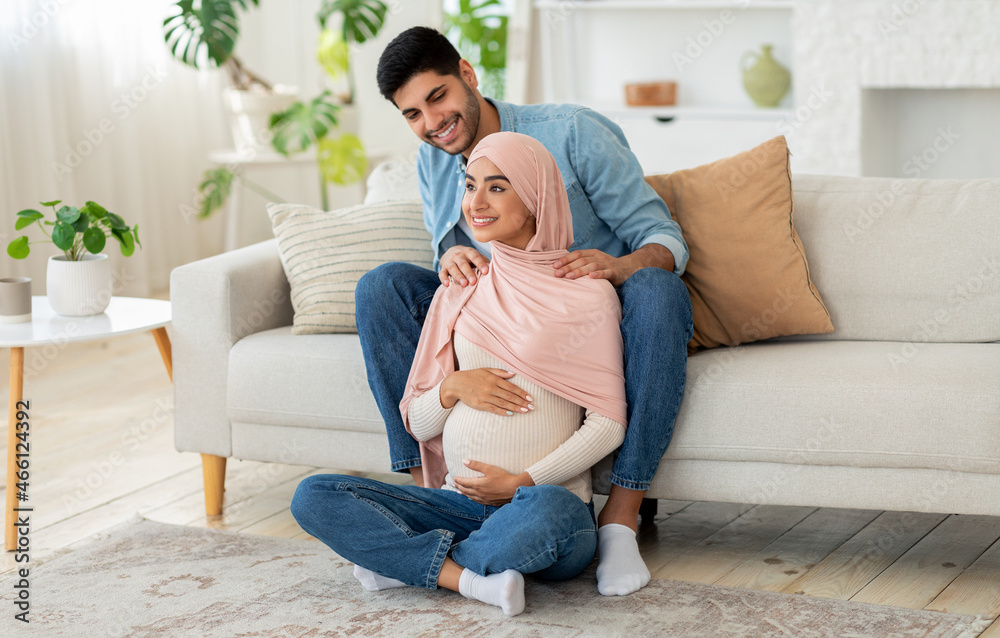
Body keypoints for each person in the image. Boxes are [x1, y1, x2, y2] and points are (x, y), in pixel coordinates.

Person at [356, 26, 693, 597]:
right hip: (496, 309)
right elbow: (452, 254)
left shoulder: (572, 133)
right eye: (412, 113)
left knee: (658, 289)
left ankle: (619, 519)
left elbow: (665, 239)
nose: (432, 122)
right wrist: (450, 256)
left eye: (437, 97)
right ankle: (430, 494)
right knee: (381, 287)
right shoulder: (433, 161)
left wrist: (618, 268)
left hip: (585, 318)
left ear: (468, 75)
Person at [293, 132, 628, 617]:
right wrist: (451, 389)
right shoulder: (463, 286)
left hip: (543, 508)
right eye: (470, 186)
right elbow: (420, 424)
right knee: (314, 496)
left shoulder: (586, 293)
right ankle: (469, 579)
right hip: (457, 507)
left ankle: (407, 564)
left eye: (497, 187)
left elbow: (608, 425)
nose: (476, 202)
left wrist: (523, 482)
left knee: (547, 511)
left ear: (536, 198)